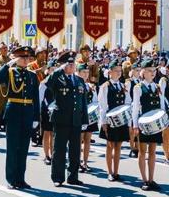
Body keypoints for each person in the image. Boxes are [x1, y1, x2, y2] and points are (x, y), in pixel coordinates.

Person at [0, 46, 39, 189]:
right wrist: (8, 64)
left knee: (24, 147)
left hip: (27, 112)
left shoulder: (32, 75)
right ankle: (12, 179)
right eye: (22, 58)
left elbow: (35, 97)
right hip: (14, 111)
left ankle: (21, 178)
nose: (25, 61)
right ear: (16, 59)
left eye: (27, 58)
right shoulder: (10, 72)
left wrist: (36, 118)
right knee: (12, 147)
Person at [47, 53, 88, 186]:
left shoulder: (79, 80)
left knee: (75, 150)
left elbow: (83, 102)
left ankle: (73, 176)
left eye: (73, 64)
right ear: (64, 65)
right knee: (59, 149)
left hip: (76, 120)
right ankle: (58, 178)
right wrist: (59, 70)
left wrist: (85, 120)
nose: (72, 66)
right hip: (61, 119)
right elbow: (48, 83)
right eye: (69, 64)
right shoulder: (58, 78)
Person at [132, 59, 166, 191]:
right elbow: (135, 107)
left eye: (154, 71)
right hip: (143, 124)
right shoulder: (138, 87)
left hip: (155, 123)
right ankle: (144, 179)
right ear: (143, 72)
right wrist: (135, 125)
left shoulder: (157, 86)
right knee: (142, 151)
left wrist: (162, 122)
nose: (152, 73)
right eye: (150, 71)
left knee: (153, 151)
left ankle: (151, 179)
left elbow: (162, 105)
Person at [98, 61, 129, 182]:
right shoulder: (105, 86)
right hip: (110, 120)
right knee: (110, 145)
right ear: (110, 72)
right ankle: (110, 172)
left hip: (120, 120)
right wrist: (104, 121)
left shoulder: (123, 86)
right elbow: (103, 105)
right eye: (116, 70)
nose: (118, 73)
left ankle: (116, 171)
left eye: (120, 71)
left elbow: (127, 102)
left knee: (119, 146)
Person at [76, 62, 96, 173]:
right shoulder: (75, 84)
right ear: (78, 73)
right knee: (79, 140)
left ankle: (85, 162)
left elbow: (94, 101)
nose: (86, 74)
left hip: (89, 115)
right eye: (83, 72)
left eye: (87, 72)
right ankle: (77, 162)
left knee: (88, 139)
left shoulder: (90, 86)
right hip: (79, 115)